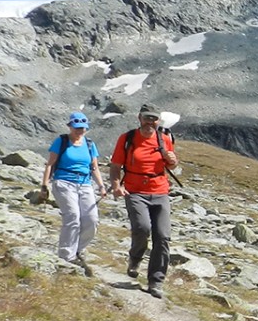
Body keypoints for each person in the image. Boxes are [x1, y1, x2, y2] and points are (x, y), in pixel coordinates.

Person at [110, 103, 180, 298]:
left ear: (158, 121)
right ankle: (135, 258)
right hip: (134, 191)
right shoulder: (127, 139)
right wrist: (117, 186)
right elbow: (116, 165)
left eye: (153, 119)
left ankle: (156, 281)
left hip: (160, 191)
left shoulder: (165, 139)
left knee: (163, 236)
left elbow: (171, 165)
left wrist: (172, 160)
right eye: (146, 118)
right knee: (142, 228)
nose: (150, 122)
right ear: (139, 118)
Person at [41, 112, 104, 275]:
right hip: (63, 182)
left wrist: (101, 186)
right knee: (73, 217)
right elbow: (50, 164)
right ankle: (66, 256)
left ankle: (78, 250)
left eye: (82, 128)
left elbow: (94, 167)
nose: (79, 131)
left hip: (85, 184)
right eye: (76, 128)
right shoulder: (61, 141)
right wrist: (44, 185)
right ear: (70, 127)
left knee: (92, 219)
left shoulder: (90, 144)